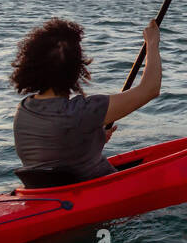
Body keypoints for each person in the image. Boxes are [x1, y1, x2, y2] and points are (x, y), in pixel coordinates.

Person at [11, 18, 162, 182]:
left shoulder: (24, 109)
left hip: (43, 193)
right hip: (99, 191)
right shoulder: (83, 112)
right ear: (77, 70)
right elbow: (150, 89)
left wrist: (94, 140)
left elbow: (54, 155)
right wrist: (152, 43)